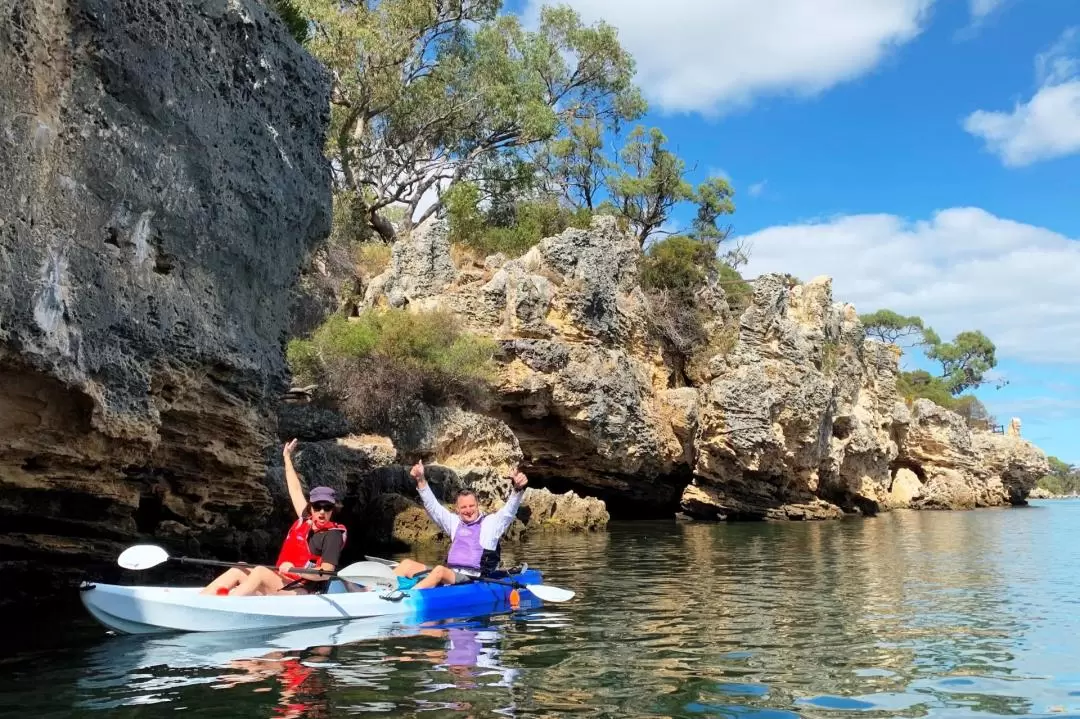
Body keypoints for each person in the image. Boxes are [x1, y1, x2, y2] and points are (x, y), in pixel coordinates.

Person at [200, 439, 347, 596]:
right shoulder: (306, 519)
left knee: (260, 572)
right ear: (311, 508)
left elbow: (326, 572)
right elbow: (295, 490)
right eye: (318, 507)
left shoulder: (332, 535)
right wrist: (287, 458)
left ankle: (227, 604)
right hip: (281, 581)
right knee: (239, 567)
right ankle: (202, 600)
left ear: (333, 509)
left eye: (327, 507)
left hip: (301, 590)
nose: (322, 512)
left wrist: (295, 569)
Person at [393, 459, 527, 589]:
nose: (468, 510)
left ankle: (409, 597)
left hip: (471, 579)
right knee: (406, 564)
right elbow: (433, 507)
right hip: (451, 574)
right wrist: (421, 480)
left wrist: (517, 489)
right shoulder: (455, 522)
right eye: (464, 507)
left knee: (440, 570)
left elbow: (508, 512)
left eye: (471, 506)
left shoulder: (490, 524)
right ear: (457, 509)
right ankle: (381, 590)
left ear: (477, 505)